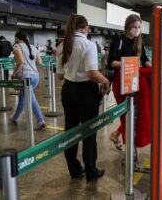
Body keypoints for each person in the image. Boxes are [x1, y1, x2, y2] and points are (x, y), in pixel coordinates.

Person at [56, 14, 110, 181]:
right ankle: (91, 171)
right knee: (89, 132)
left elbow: (59, 76)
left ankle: (74, 169)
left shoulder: (61, 46)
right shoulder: (88, 45)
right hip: (86, 92)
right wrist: (105, 81)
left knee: (70, 130)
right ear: (85, 28)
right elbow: (92, 73)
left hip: (68, 90)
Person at [108, 14, 151, 150]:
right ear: (128, 26)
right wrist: (128, 63)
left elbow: (144, 59)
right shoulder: (118, 40)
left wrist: (153, 68)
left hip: (135, 79)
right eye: (134, 27)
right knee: (127, 114)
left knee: (138, 111)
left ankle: (116, 134)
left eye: (139, 27)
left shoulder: (139, 41)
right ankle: (129, 148)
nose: (137, 30)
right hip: (121, 80)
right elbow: (111, 62)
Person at [10, 31, 46, 130]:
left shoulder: (17, 47)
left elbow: (20, 62)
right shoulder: (33, 47)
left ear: (17, 38)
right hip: (35, 76)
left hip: (26, 77)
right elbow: (40, 63)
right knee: (22, 96)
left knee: (31, 98)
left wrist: (14, 73)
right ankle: (15, 117)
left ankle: (40, 120)